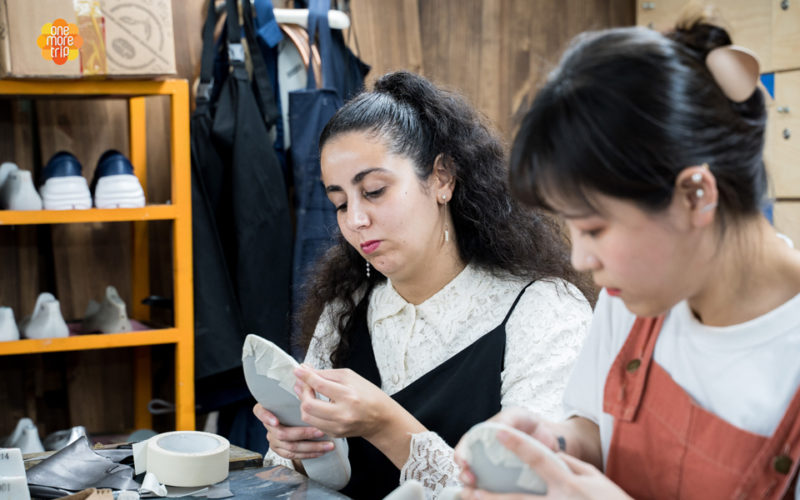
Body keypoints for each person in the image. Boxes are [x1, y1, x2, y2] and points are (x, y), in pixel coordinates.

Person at [454, 15, 800, 500]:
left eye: (594, 228)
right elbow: (597, 429)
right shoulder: (635, 291)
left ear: (697, 194)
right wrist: (554, 444)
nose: (579, 259)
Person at [252, 70, 595, 499]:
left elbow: (536, 491)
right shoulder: (348, 305)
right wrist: (299, 452)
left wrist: (384, 423)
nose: (355, 220)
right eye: (339, 202)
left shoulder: (543, 311)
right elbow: (317, 479)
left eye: (374, 191)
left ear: (442, 179)